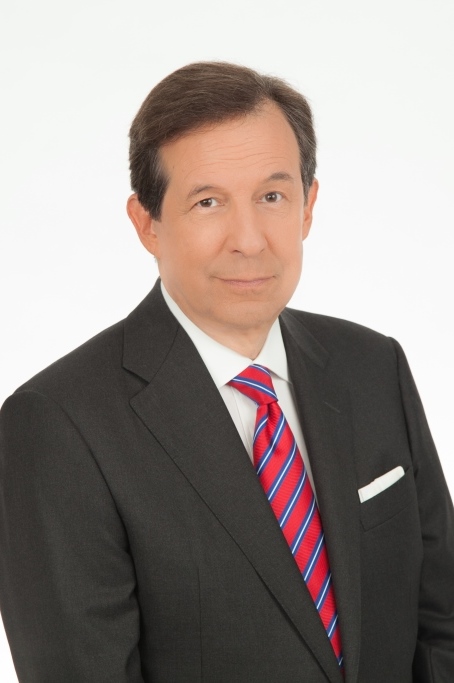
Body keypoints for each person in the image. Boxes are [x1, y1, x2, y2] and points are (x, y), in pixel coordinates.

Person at [0, 61, 453, 683]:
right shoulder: (57, 426)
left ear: (308, 206)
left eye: (272, 197)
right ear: (147, 223)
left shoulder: (374, 367)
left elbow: (443, 626)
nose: (249, 239)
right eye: (208, 202)